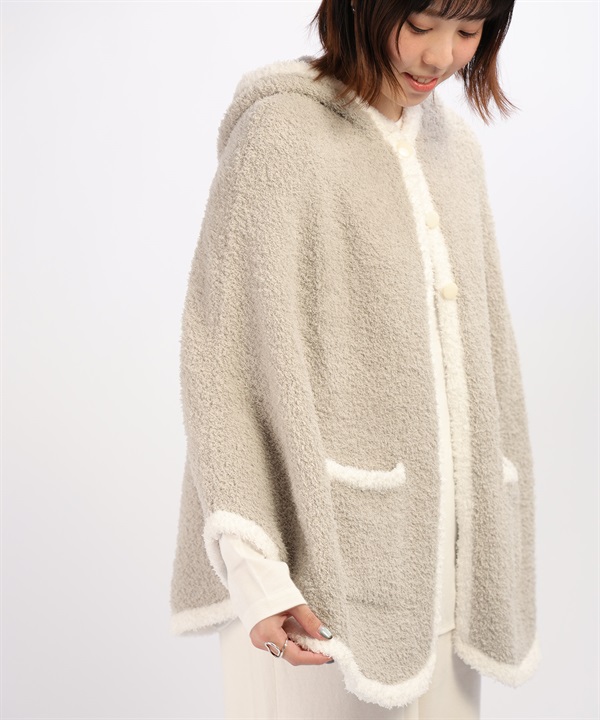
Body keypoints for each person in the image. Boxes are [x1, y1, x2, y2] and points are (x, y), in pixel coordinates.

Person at [169, 0, 541, 717]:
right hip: (309, 583)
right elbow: (222, 366)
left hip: (444, 589)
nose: (441, 57)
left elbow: (488, 357)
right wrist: (256, 576)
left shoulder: (455, 153)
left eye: (468, 31)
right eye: (422, 24)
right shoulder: (281, 135)